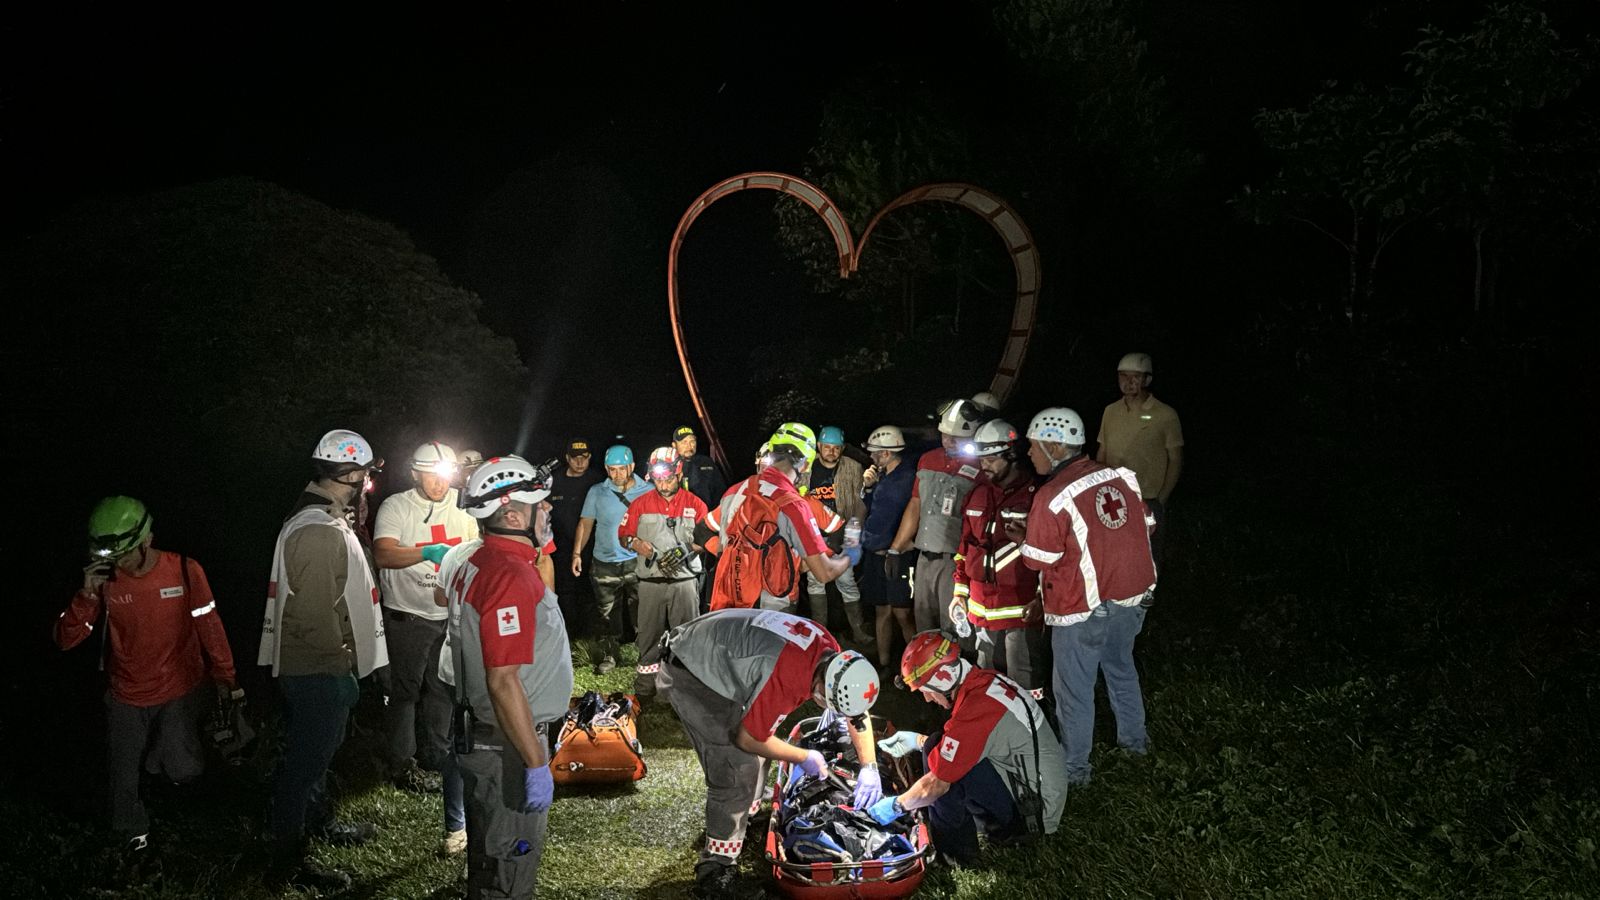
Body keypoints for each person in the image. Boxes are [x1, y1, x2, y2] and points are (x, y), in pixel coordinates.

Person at [54, 496, 241, 856]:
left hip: (179, 687)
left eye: (124, 554)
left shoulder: (186, 570)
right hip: (125, 691)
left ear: (147, 540)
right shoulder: (105, 582)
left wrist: (226, 677)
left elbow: (210, 626)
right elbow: (66, 639)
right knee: (122, 774)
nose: (118, 564)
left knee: (184, 770)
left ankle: (162, 755)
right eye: (111, 557)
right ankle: (133, 838)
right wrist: (86, 595)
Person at [655, 608, 881, 898]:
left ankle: (747, 815)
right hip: (692, 672)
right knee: (736, 768)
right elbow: (747, 738)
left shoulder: (833, 657)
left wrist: (870, 767)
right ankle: (716, 870)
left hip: (715, 649)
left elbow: (857, 716)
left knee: (764, 742)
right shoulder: (789, 676)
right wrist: (803, 756)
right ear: (824, 689)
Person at [440, 455, 573, 900]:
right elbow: (503, 680)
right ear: (514, 514)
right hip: (507, 745)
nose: (549, 511)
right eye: (542, 505)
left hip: (489, 736)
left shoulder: (479, 559)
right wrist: (536, 762)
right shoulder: (509, 574)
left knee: (490, 858)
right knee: (508, 870)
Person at [259, 429, 387, 891]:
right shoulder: (317, 531)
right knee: (303, 766)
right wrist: (341, 670)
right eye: (367, 475)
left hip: (323, 666)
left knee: (316, 757)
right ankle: (289, 862)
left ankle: (317, 824)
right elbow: (313, 616)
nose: (369, 483)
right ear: (351, 474)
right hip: (316, 669)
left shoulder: (327, 517)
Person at [1018, 408, 1157, 785]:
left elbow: (1036, 559)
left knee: (1074, 692)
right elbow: (1147, 524)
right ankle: (1136, 747)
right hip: (1131, 602)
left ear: (1054, 446)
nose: (1029, 453)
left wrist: (1024, 536)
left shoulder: (1051, 496)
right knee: (1121, 670)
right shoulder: (1121, 477)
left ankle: (1076, 772)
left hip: (1081, 609)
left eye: (1033, 446)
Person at [867, 631, 1067, 866]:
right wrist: (917, 741)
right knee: (934, 746)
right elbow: (967, 743)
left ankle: (955, 857)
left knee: (943, 773)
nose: (929, 699)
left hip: (1034, 815)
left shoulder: (977, 709)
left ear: (942, 678)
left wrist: (896, 805)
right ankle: (977, 831)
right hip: (1035, 791)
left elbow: (937, 783)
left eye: (926, 691)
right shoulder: (985, 683)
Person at [373, 441, 480, 795]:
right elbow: (384, 554)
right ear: (416, 473)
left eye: (444, 476)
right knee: (403, 693)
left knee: (442, 690)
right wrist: (428, 552)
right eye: (431, 475)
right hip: (408, 615)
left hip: (447, 615)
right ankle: (402, 764)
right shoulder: (397, 506)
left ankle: (439, 756)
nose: (439, 483)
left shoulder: (464, 508)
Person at [707, 423, 856, 614]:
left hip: (727, 602)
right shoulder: (794, 504)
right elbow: (824, 573)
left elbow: (705, 533)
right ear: (806, 463)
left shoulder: (733, 491)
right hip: (771, 608)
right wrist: (849, 556)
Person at [952, 419, 1046, 698]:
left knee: (1025, 688)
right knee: (987, 686)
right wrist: (959, 593)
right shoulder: (977, 494)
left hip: (1020, 611)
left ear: (1011, 455)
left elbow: (1051, 558)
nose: (985, 465)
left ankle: (1034, 737)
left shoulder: (1036, 496)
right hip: (980, 612)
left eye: (992, 459)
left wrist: (1042, 598)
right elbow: (964, 548)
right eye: (982, 459)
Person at [618, 447, 708, 697]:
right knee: (648, 637)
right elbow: (623, 536)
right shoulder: (640, 504)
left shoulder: (696, 504)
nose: (663, 483)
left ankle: (684, 690)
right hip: (650, 584)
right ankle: (646, 689)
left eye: (668, 478)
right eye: (658, 479)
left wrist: (687, 550)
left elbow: (710, 539)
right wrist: (637, 544)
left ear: (678, 474)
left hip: (685, 582)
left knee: (686, 637)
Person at [890, 399, 985, 637]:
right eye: (945, 435)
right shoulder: (928, 459)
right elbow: (915, 504)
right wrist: (896, 548)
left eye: (957, 438)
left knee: (954, 628)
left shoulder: (984, 467)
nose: (949, 441)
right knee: (925, 626)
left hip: (955, 561)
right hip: (924, 559)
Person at [571, 445, 653, 674]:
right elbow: (585, 523)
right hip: (604, 563)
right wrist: (577, 554)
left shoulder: (648, 490)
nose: (617, 475)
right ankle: (610, 654)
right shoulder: (597, 491)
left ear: (632, 467)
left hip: (638, 562)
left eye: (621, 469)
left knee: (643, 611)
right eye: (612, 469)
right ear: (606, 468)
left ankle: (645, 654)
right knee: (607, 614)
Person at [1097, 352, 1183, 570]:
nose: (1128, 382)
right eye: (1123, 376)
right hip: (1113, 499)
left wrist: (1162, 498)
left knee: (1148, 555)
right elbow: (1103, 450)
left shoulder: (1165, 414)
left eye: (1135, 377)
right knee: (1113, 553)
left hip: (1148, 497)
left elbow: (1175, 459)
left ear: (1147, 379)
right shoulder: (1110, 411)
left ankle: (1146, 599)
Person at [798, 425, 869, 644]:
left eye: (835, 448)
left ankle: (858, 631)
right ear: (818, 447)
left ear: (842, 449)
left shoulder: (853, 468)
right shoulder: (806, 469)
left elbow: (861, 502)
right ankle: (820, 632)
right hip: (813, 535)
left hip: (844, 532)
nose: (831, 452)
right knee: (815, 581)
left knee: (847, 581)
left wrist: (853, 537)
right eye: (826, 447)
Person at [858, 425, 917, 669]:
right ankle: (883, 664)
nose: (871, 457)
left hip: (898, 556)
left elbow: (911, 515)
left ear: (886, 454)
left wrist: (899, 547)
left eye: (874, 453)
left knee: (902, 614)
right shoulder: (883, 477)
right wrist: (869, 488)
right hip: (876, 554)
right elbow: (873, 510)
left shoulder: (907, 479)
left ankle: (918, 667)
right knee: (882, 610)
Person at [548, 439, 601, 631]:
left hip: (592, 547)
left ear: (590, 458)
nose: (580, 462)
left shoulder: (598, 480)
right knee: (565, 592)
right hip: (560, 547)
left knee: (590, 591)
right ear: (567, 458)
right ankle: (569, 633)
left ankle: (592, 635)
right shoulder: (554, 481)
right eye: (575, 458)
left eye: (584, 458)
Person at [672, 425, 728, 511]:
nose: (689, 446)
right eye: (684, 442)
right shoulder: (668, 465)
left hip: (705, 515)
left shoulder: (706, 462)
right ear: (674, 445)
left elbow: (721, 491)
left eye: (692, 441)